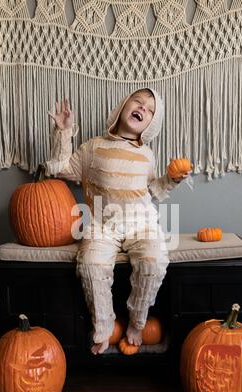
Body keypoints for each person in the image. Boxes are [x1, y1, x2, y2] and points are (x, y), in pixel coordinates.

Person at [46, 88, 189, 355]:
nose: (142, 108)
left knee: (155, 259)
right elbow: (60, 168)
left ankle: (137, 322)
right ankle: (104, 325)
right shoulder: (92, 147)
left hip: (141, 223)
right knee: (90, 264)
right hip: (102, 224)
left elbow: (153, 192)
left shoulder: (147, 155)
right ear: (123, 106)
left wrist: (172, 180)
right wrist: (63, 132)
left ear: (151, 125)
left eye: (149, 110)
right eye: (138, 102)